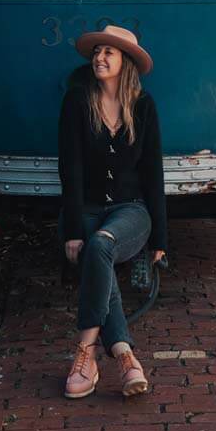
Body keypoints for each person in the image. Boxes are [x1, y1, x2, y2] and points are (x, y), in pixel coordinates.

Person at [57, 24, 167, 401]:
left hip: (131, 212)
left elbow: (153, 173)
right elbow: (69, 170)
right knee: (95, 252)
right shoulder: (76, 101)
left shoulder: (143, 105)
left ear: (126, 62)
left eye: (109, 52)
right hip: (86, 210)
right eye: (97, 51)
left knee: (100, 245)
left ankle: (84, 353)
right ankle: (125, 356)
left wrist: (160, 238)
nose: (100, 58)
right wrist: (72, 228)